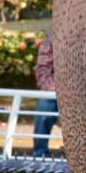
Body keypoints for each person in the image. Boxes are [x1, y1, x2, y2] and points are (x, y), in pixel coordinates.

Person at [32, 30, 58, 158]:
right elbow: (43, 69)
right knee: (44, 106)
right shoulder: (54, 33)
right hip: (59, 90)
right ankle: (39, 156)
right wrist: (53, 88)